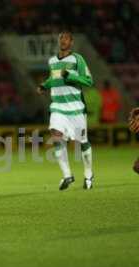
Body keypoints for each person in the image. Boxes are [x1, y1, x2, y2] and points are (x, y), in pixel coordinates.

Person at [37, 31, 94, 190]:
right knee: (56, 137)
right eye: (61, 38)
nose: (63, 41)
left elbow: (88, 81)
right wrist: (44, 85)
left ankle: (89, 174)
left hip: (75, 108)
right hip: (58, 107)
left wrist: (70, 75)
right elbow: (53, 78)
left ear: (72, 42)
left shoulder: (77, 59)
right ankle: (67, 175)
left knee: (82, 143)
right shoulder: (52, 61)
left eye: (66, 38)